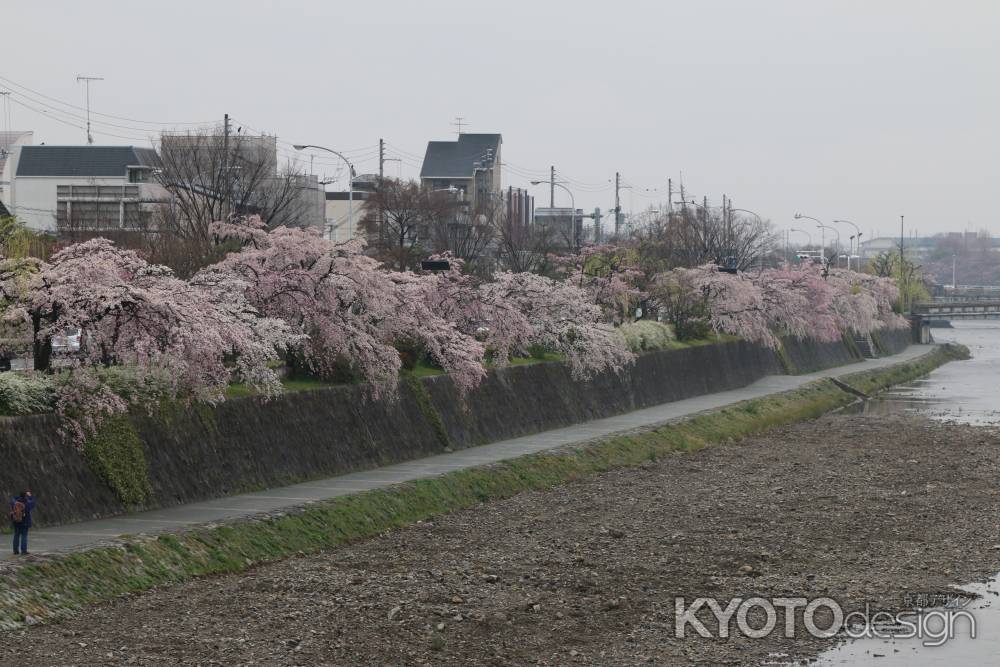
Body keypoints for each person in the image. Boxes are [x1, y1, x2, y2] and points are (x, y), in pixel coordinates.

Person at [10, 490, 35, 555]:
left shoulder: (14, 502)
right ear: (25, 496)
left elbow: (13, 498)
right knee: (24, 536)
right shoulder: (28, 503)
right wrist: (30, 496)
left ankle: (15, 551)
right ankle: (23, 551)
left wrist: (20, 495)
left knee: (16, 535)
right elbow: (33, 502)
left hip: (16, 521)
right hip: (25, 521)